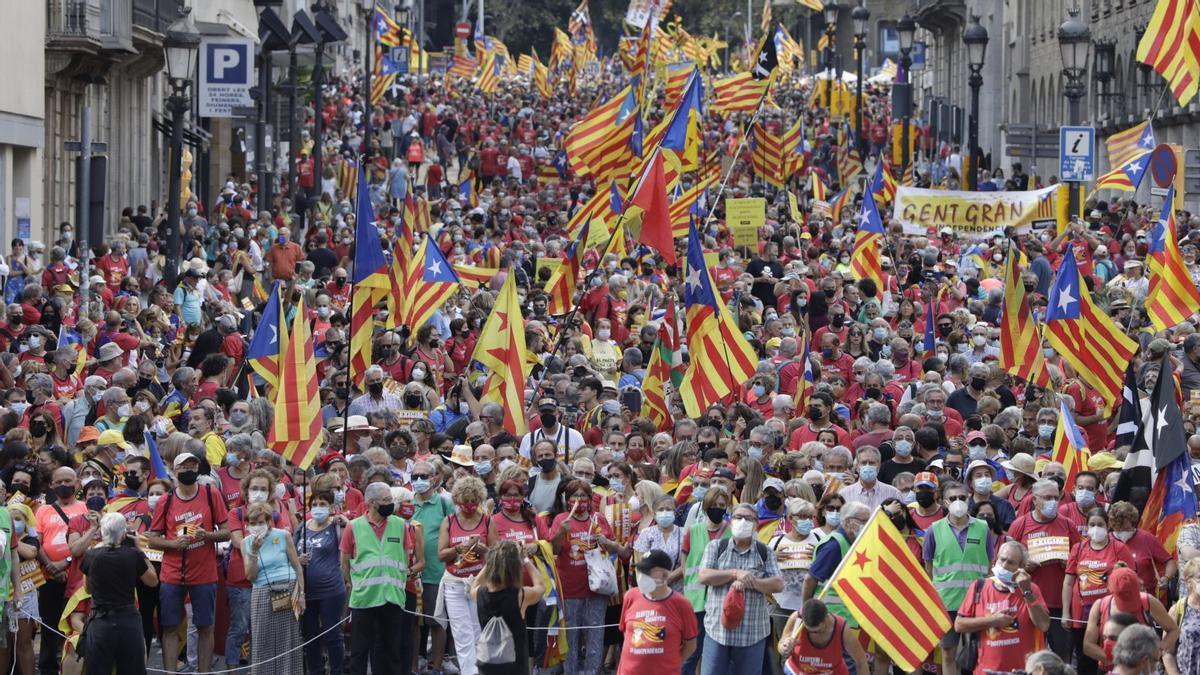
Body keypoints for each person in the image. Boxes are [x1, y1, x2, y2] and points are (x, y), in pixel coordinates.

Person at [145, 452, 230, 674]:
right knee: (170, 626)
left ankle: (204, 672)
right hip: (172, 574)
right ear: (174, 471)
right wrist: (173, 544)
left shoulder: (212, 494)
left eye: (193, 465)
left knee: (205, 626)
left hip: (204, 572)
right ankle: (170, 672)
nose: (189, 470)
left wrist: (207, 536)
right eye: (183, 467)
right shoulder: (166, 500)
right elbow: (152, 539)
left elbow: (228, 531)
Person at [697, 503, 784, 675]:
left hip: (752, 633)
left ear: (756, 524)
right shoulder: (716, 547)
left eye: (748, 518)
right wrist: (734, 574)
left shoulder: (764, 551)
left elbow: (778, 584)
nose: (742, 521)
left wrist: (751, 582)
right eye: (738, 517)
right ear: (730, 521)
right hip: (718, 632)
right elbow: (704, 576)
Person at [923, 480, 993, 675]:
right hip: (946, 602)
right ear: (944, 502)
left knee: (978, 653)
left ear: (969, 498)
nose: (957, 501)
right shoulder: (933, 530)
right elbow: (928, 567)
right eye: (952, 498)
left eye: (962, 497)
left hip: (977, 601)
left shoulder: (983, 527)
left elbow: (989, 564)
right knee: (948, 653)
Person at [340, 482, 409, 675]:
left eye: (391, 500)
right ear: (371, 502)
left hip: (393, 597)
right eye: (386, 500)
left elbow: (404, 556)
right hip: (364, 599)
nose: (391, 504)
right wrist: (355, 584)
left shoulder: (400, 525)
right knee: (359, 651)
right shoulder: (353, 527)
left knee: (391, 651)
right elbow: (344, 563)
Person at [78, 512, 158, 675]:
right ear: (123, 534)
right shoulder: (133, 555)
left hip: (101, 620)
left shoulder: (91, 555)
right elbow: (152, 580)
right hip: (128, 619)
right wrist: (141, 550)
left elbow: (88, 590)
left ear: (102, 532)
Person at [954, 540, 1050, 673]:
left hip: (1023, 670)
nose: (1004, 565)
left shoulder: (1031, 589)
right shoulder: (979, 586)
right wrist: (992, 621)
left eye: (1011, 562)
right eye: (1002, 560)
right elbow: (959, 625)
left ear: (1021, 567)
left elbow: (1044, 625)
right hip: (986, 670)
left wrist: (1026, 591)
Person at [1063, 508, 1136, 675]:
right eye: (1092, 524)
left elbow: (1132, 580)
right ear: (1087, 526)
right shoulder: (1078, 548)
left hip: (1109, 612)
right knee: (1084, 659)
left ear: (1108, 525)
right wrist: (1066, 612)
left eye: (1100, 524)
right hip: (1080, 613)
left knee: (1109, 656)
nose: (1096, 528)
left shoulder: (1118, 548)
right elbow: (1068, 583)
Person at [242, 500, 306, 675]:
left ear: (269, 521)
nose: (257, 526)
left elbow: (297, 566)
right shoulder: (246, 542)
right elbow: (250, 576)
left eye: (261, 522)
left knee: (288, 638)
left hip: (288, 587)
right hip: (262, 591)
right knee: (263, 640)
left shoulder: (283, 535)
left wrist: (301, 594)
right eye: (252, 523)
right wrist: (254, 551)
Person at [1083, 567, 1179, 674]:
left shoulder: (1148, 601)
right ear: (1111, 590)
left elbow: (1173, 630)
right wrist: (1120, 661)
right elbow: (1087, 645)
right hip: (1109, 670)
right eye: (1124, 598)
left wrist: (1158, 649)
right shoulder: (1100, 606)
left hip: (1142, 670)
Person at [438, 476, 490, 675]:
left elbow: (495, 554)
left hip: (479, 582)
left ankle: (478, 671)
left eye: (473, 501)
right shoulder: (449, 521)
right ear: (458, 500)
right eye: (465, 501)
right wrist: (458, 548)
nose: (469, 505)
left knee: (478, 631)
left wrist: (484, 550)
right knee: (461, 633)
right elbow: (441, 554)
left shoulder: (487, 521)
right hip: (454, 583)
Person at [618, 548, 698, 675]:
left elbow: (691, 645)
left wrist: (670, 663)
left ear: (665, 575)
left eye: (647, 571)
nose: (642, 576)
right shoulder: (631, 596)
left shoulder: (682, 605)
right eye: (641, 570)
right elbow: (626, 632)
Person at [470, 539, 545, 675]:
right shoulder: (520, 596)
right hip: (515, 666)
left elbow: (474, 584)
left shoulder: (479, 593)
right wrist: (526, 560)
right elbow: (540, 586)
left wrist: (492, 561)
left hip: (488, 664)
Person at [295, 490, 348, 675]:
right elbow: (291, 554)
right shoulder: (301, 527)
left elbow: (350, 542)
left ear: (331, 507)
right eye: (315, 504)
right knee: (310, 637)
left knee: (333, 635)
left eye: (323, 504)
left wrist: (345, 522)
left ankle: (336, 671)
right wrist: (297, 559)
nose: (318, 508)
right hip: (307, 593)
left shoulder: (336, 526)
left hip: (331, 591)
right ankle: (315, 671)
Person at [777, 598, 868, 675]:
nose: (814, 634)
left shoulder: (842, 628)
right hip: (798, 671)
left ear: (826, 617)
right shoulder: (796, 619)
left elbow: (861, 661)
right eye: (809, 631)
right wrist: (785, 648)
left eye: (818, 631)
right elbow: (781, 646)